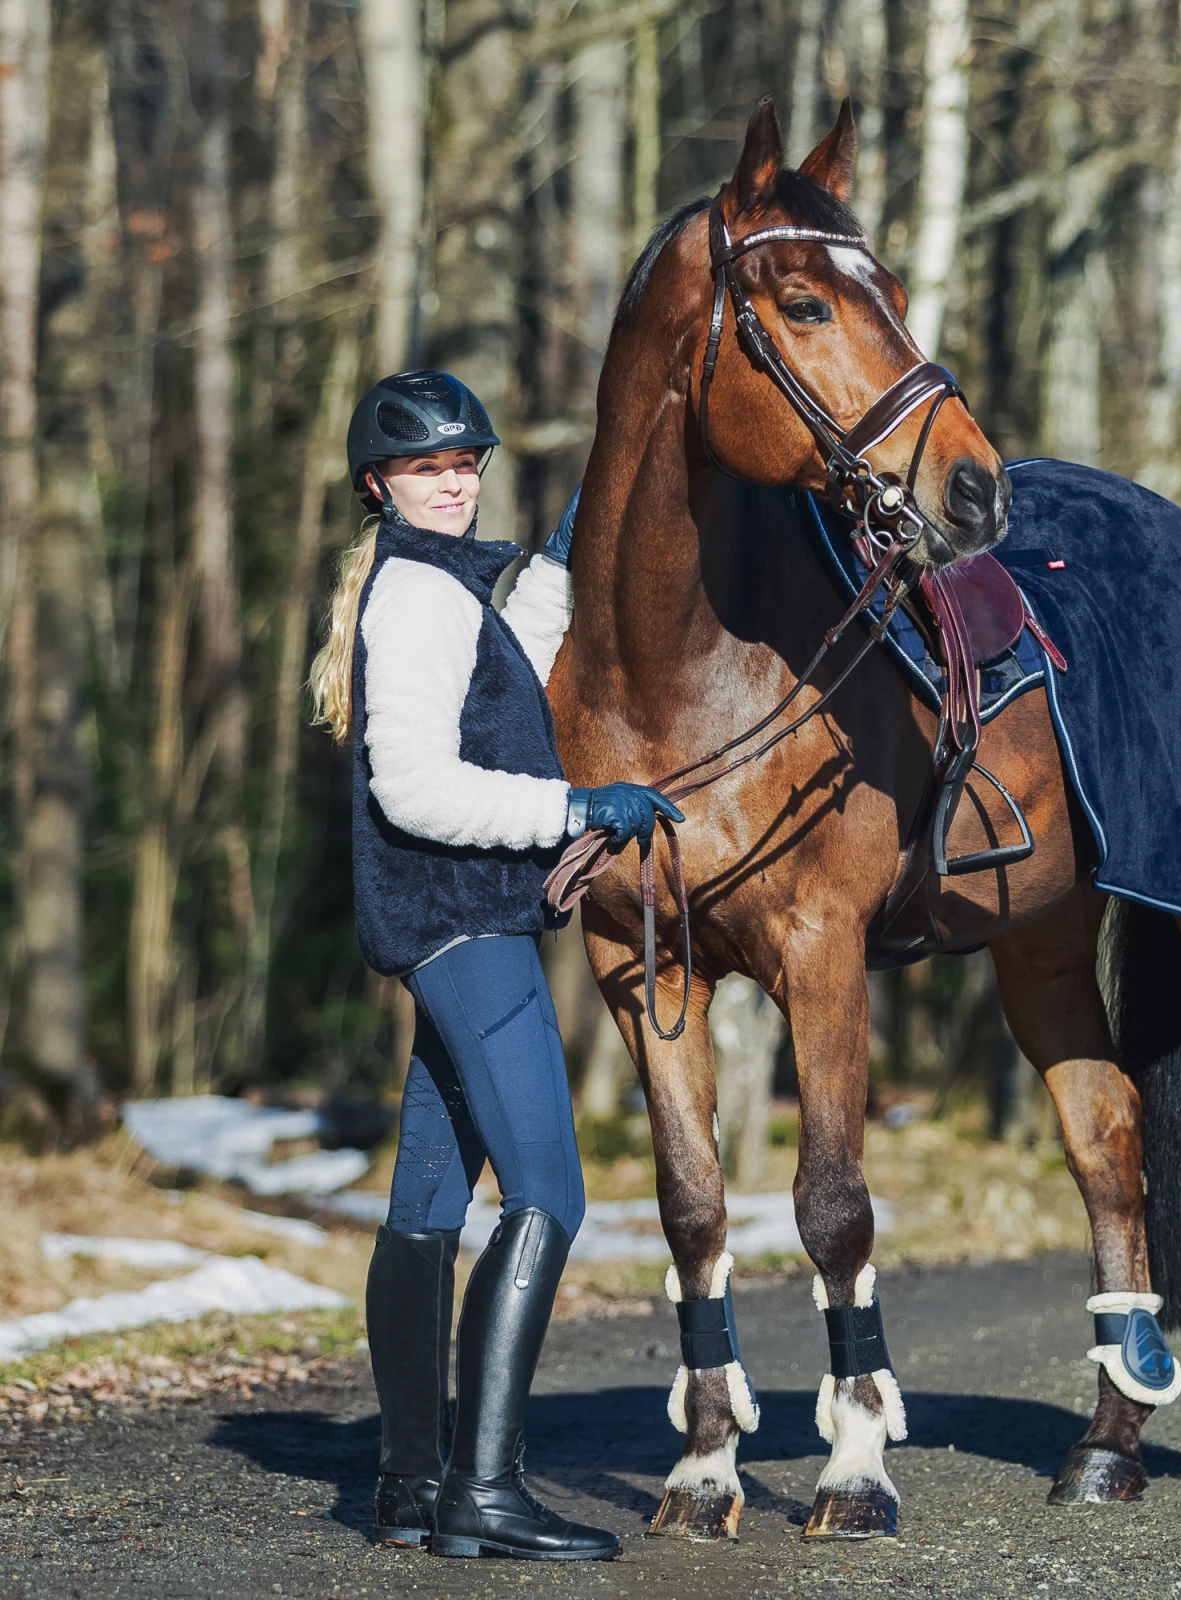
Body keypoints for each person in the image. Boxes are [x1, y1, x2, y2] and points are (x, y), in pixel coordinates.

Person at [309, 370, 679, 1561]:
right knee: (548, 1195)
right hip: (466, 925)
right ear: (379, 484)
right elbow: (414, 785)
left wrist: (563, 562)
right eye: (427, 467)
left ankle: (409, 1488)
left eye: (465, 462)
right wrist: (578, 804)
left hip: (444, 924)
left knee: (426, 1206)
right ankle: (485, 1487)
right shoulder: (418, 595)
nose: (454, 482)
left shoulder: (434, 587)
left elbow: (502, 680)